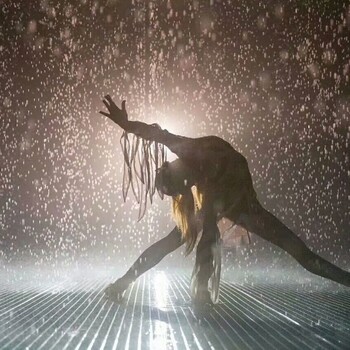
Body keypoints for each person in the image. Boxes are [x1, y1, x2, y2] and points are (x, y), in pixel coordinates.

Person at [100, 95, 350, 306]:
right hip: (239, 204)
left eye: (178, 186)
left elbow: (156, 133)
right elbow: (157, 135)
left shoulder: (187, 151)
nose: (184, 188)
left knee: (304, 256)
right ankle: (136, 284)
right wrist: (128, 125)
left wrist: (128, 124)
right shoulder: (196, 179)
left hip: (241, 203)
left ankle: (187, 291)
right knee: (303, 255)